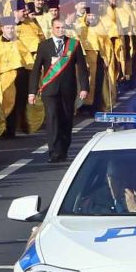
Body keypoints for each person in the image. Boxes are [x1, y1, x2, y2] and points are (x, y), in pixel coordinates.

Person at [29, 15, 91, 164]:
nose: (60, 30)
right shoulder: (44, 46)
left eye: (63, 27)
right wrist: (32, 91)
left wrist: (84, 87)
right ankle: (54, 152)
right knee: (52, 119)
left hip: (68, 90)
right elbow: (36, 69)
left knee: (66, 120)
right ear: (52, 29)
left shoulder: (74, 44)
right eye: (57, 27)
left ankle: (63, 150)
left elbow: (82, 68)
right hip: (49, 90)